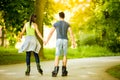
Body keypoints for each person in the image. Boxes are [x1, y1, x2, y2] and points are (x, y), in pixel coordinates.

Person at [45, 12, 76, 77]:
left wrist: (46, 41)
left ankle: (55, 71)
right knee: (64, 55)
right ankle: (64, 71)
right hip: (65, 40)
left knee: (57, 55)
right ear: (64, 16)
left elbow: (50, 33)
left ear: (59, 16)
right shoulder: (67, 24)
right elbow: (71, 33)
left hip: (58, 40)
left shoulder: (56, 24)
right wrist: (73, 42)